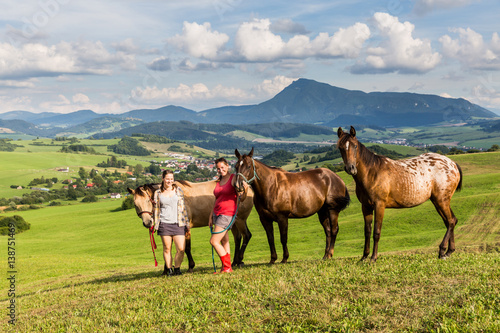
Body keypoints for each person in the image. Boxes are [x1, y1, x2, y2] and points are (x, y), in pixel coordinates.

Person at [209, 157, 248, 273]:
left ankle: (226, 267)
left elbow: (241, 198)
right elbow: (216, 199)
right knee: (224, 241)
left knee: (214, 241)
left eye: (222, 167)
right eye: (218, 168)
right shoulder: (218, 181)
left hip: (227, 214)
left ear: (227, 166)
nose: (221, 170)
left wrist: (245, 191)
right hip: (217, 213)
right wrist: (210, 216)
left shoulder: (233, 178)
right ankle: (227, 267)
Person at [153, 170, 190, 276]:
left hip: (178, 223)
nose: (170, 181)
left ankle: (177, 268)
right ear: (163, 179)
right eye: (167, 178)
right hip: (164, 223)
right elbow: (156, 210)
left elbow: (183, 209)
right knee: (167, 248)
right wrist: (155, 224)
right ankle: (169, 270)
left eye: (171, 178)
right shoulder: (158, 193)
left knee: (181, 249)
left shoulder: (179, 191)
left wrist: (187, 224)